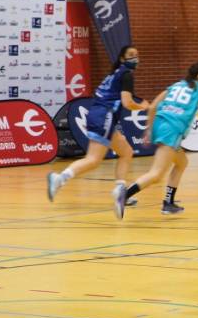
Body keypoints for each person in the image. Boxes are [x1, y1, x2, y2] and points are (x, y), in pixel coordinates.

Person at [47, 46, 149, 217]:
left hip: (98, 114)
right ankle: (59, 179)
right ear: (122, 58)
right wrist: (143, 106)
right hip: (104, 116)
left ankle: (120, 190)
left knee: (126, 152)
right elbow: (127, 103)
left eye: (137, 55)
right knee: (93, 159)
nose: (135, 58)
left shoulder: (114, 73)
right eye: (131, 55)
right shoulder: (126, 75)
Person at [114, 62, 198, 218]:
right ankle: (124, 195)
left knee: (182, 163)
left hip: (160, 124)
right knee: (157, 174)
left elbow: (153, 106)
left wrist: (149, 129)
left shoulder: (176, 85)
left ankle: (169, 203)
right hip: (172, 129)